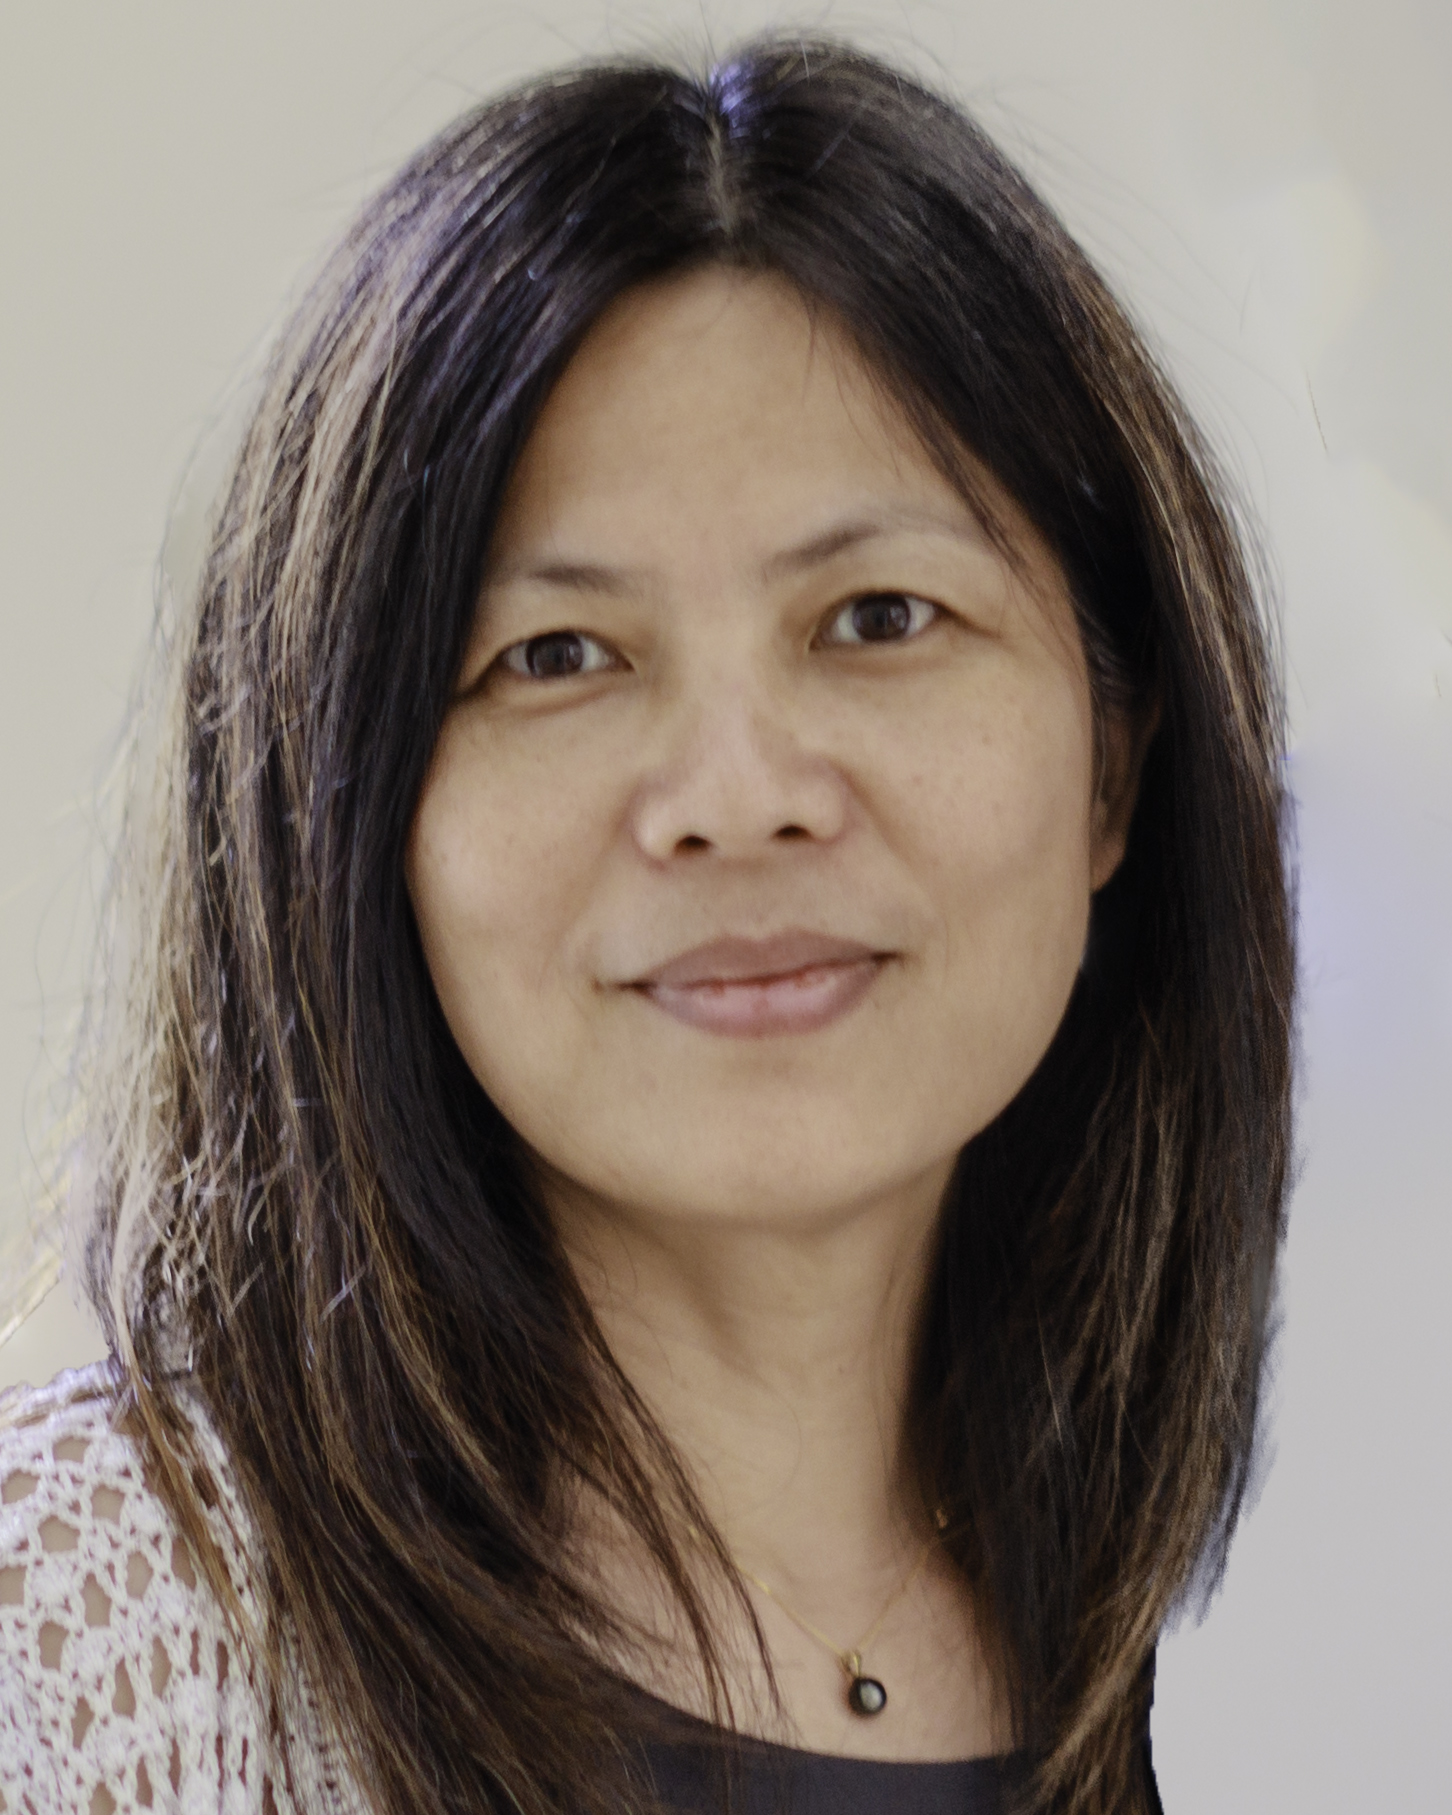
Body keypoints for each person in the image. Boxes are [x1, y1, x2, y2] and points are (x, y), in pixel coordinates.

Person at [0, 34, 1293, 1815]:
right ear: (346, 822)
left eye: (880, 616)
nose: (739, 795)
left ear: (1115, 768)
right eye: (557, 657)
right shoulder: (76, 1652)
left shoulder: (1126, 1625)